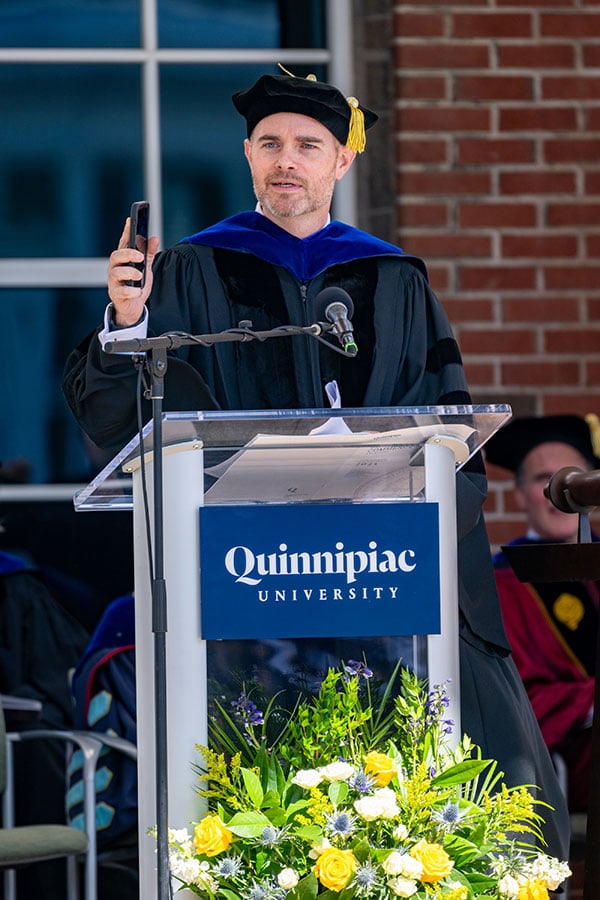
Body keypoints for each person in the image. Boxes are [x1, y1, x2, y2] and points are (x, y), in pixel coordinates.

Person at [62, 68, 570, 858]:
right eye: (270, 144)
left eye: (308, 144)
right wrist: (128, 323)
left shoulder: (393, 279)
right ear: (248, 156)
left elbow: (447, 433)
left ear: (341, 161)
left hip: (375, 574)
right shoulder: (195, 270)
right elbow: (125, 420)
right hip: (250, 583)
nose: (286, 160)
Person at [485, 414, 600, 813]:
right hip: (565, 755)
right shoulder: (502, 583)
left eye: (576, 479)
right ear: (519, 494)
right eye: (544, 480)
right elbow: (515, 701)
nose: (563, 492)